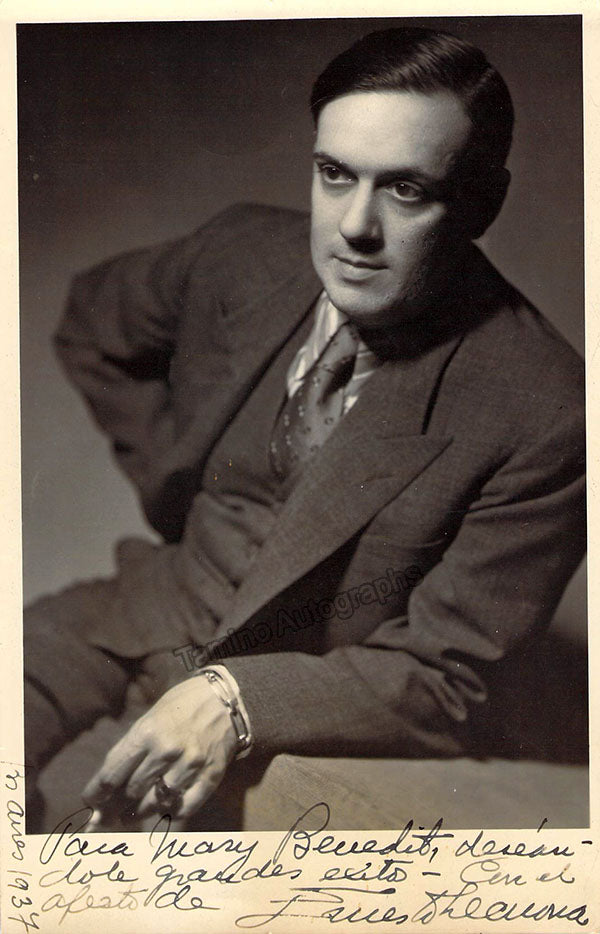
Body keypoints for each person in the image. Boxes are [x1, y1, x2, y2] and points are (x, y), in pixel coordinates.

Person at [24, 26, 585, 830]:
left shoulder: (545, 407)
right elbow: (93, 324)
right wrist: (179, 484)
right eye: (334, 173)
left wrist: (233, 701)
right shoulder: (240, 255)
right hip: (119, 623)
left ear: (481, 204)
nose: (354, 227)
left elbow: (448, 680)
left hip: (279, 718)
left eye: (406, 190)